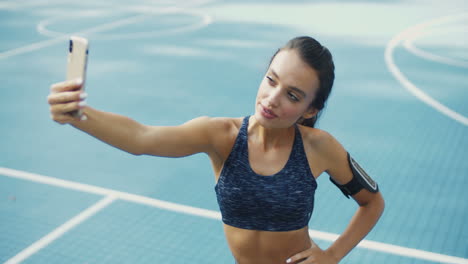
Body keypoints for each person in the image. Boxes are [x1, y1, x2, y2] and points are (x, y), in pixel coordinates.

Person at [48, 36, 385, 264]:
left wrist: (332, 256)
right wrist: (79, 116)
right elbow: (141, 138)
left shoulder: (319, 148)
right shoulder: (221, 137)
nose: (272, 99)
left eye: (293, 96)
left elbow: (372, 202)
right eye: (271, 80)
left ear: (311, 110)